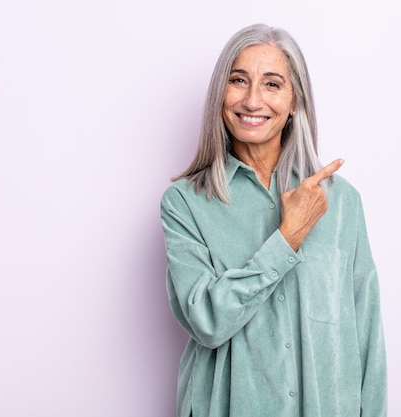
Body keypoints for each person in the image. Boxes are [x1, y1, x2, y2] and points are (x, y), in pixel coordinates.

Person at [160, 23, 387, 417]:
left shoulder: (342, 202)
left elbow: (366, 334)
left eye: (272, 84)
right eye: (238, 80)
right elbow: (207, 321)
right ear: (220, 94)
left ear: (295, 100)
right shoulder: (184, 204)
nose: (252, 100)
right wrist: (286, 239)